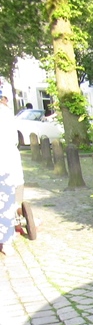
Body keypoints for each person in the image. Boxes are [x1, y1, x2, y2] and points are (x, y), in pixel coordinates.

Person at [0, 95, 24, 257]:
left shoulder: (4, 113)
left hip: (5, 161)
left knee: (5, 201)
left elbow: (10, 139)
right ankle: (6, 241)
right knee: (5, 201)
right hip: (6, 160)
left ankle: (7, 240)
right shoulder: (5, 112)